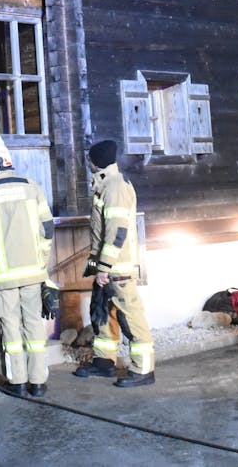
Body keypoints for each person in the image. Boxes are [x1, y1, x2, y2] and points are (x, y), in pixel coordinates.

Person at [0, 138, 56, 398]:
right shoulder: (30, 186)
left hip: (2, 277)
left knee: (10, 329)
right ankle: (38, 382)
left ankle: (17, 382)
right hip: (33, 272)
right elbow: (47, 227)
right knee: (34, 327)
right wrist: (42, 260)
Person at [72, 139, 155, 387]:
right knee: (102, 314)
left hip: (117, 268)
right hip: (106, 267)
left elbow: (117, 231)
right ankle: (104, 362)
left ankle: (143, 370)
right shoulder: (105, 184)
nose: (88, 163)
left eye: (89, 159)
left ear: (95, 162)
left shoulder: (115, 187)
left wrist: (105, 267)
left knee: (130, 317)